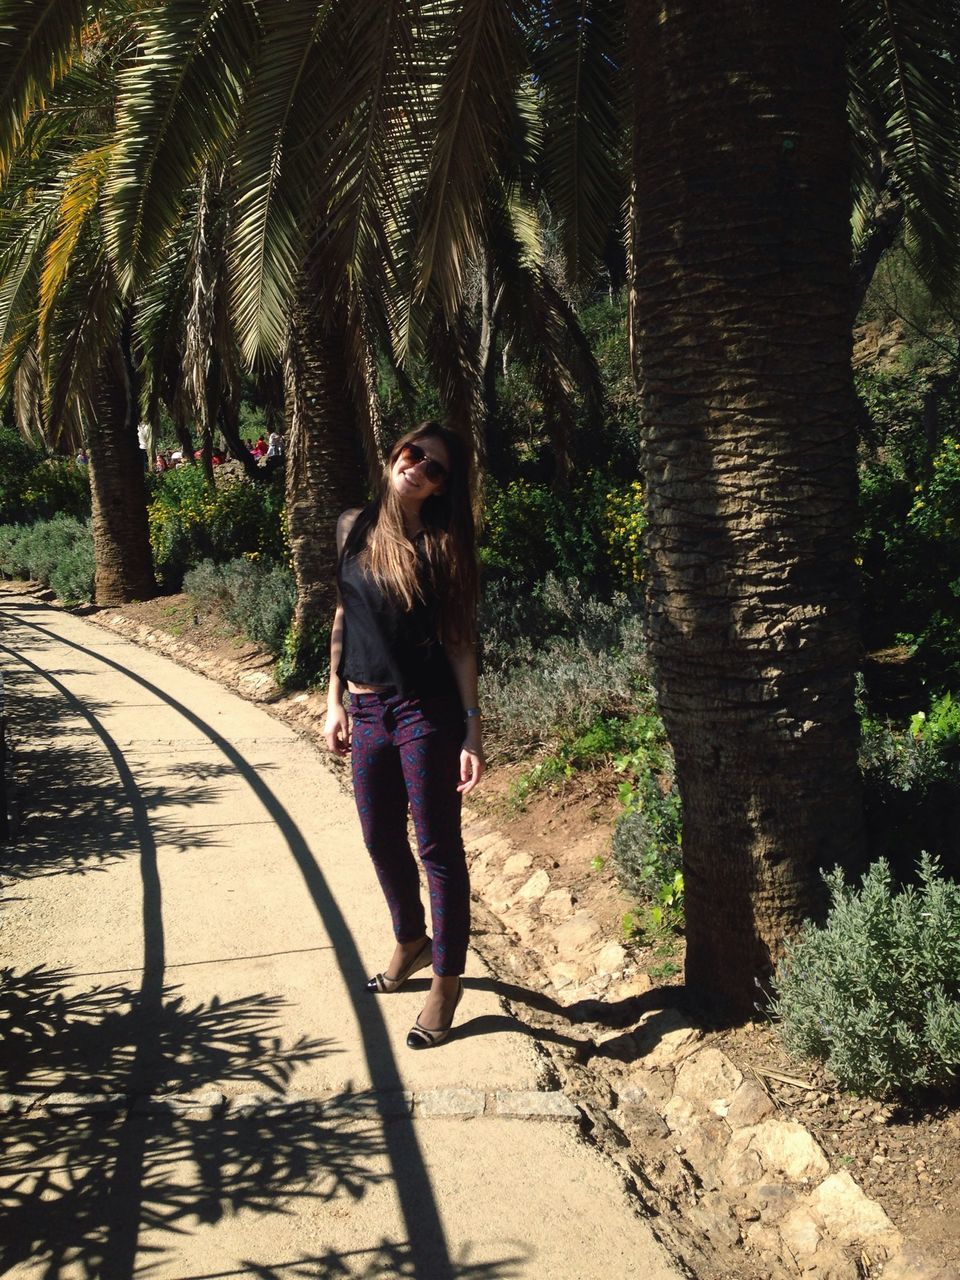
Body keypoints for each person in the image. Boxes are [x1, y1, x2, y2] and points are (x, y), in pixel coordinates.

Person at [325, 422, 483, 1049]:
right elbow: (343, 614)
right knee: (377, 835)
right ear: (395, 455)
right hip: (366, 713)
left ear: (443, 488)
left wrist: (473, 729)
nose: (418, 468)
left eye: (435, 468)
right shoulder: (352, 527)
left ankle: (446, 980)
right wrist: (332, 698)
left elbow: (460, 640)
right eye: (413, 454)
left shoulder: (443, 546)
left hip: (425, 713)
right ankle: (411, 939)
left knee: (437, 848)